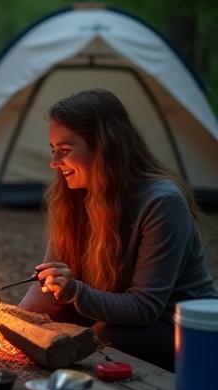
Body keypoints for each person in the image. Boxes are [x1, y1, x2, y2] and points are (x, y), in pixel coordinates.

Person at [19, 88, 218, 371]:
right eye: (53, 151)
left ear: (103, 147)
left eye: (64, 151)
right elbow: (50, 281)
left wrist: (75, 292)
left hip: (181, 327)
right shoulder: (71, 197)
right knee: (52, 327)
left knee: (102, 336)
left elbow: (145, 308)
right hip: (116, 316)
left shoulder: (161, 202)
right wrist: (16, 322)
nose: (54, 163)